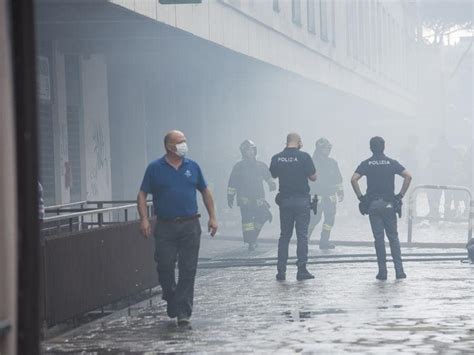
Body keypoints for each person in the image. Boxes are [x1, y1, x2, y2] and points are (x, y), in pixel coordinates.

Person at [137, 130, 218, 326]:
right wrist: (144, 219)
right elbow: (142, 194)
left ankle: (183, 311)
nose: (184, 144)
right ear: (169, 147)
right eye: (180, 142)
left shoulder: (193, 166)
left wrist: (213, 217)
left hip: (190, 224)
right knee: (164, 266)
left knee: (188, 269)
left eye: (185, 141)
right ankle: (171, 296)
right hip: (166, 226)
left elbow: (205, 191)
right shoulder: (155, 168)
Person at [351, 136, 412, 280]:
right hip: (389, 204)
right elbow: (408, 176)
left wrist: (361, 198)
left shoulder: (366, 163)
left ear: (371, 147)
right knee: (393, 237)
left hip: (373, 205)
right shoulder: (391, 162)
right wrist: (400, 196)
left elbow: (353, 179)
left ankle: (382, 272)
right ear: (384, 147)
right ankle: (399, 271)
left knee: (378, 239)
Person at [270, 133, 317, 281]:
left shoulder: (277, 157)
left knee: (284, 236)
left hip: (285, 201)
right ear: (299, 142)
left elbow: (273, 175)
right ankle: (301, 270)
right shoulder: (304, 157)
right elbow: (313, 177)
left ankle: (281, 271)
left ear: (287, 142)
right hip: (302, 201)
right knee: (302, 236)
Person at [227, 140, 276, 251]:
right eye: (248, 150)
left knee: (264, 215)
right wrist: (230, 196)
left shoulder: (260, 165)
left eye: (252, 149)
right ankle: (251, 242)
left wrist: (271, 183)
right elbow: (232, 182)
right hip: (245, 200)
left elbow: (268, 176)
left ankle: (252, 238)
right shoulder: (238, 167)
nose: (251, 152)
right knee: (248, 222)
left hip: (259, 198)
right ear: (244, 152)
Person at [307, 138, 344, 249]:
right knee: (314, 219)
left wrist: (340, 192)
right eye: (325, 148)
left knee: (329, 220)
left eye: (328, 148)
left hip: (330, 197)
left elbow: (338, 179)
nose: (327, 150)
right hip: (316, 197)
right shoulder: (312, 163)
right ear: (319, 149)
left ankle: (324, 241)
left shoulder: (332, 163)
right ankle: (304, 239)